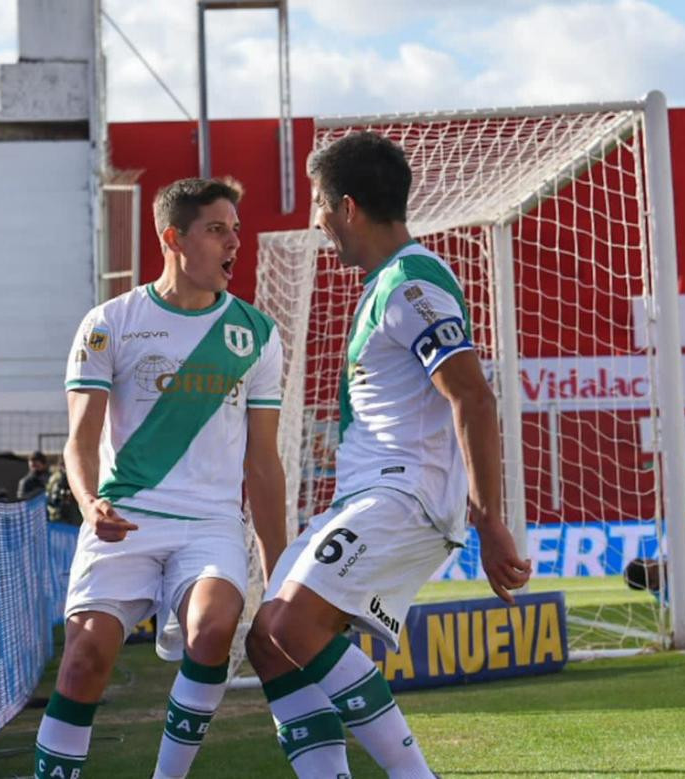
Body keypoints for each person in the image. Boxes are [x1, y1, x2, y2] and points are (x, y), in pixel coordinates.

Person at [243, 132, 532, 778]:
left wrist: (489, 520)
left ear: (347, 206)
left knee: (292, 627)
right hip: (369, 495)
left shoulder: (410, 282)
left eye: (320, 205)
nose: (317, 222)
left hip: (406, 496)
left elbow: (474, 399)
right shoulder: (388, 283)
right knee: (266, 638)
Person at [33, 177, 287, 779]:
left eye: (236, 231)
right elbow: (79, 438)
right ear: (173, 237)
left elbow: (263, 462)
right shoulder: (108, 322)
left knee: (214, 626)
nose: (234, 244)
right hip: (123, 519)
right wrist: (90, 502)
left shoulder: (256, 333)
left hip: (211, 523)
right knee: (85, 657)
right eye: (217, 230)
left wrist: (278, 569)